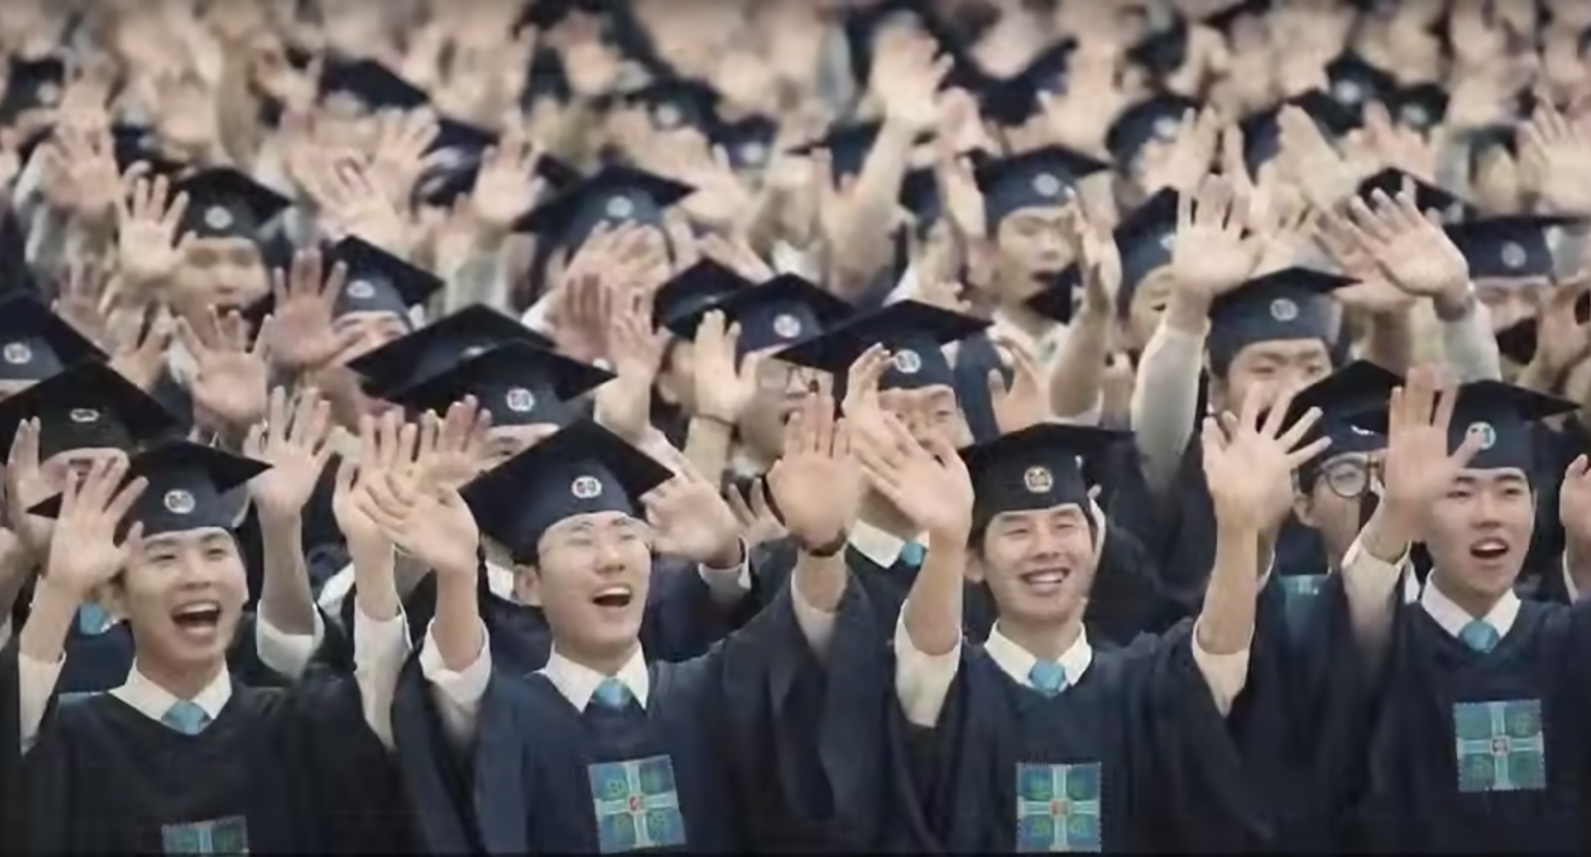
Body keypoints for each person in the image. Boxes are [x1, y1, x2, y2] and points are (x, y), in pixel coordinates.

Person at [389, 408, 888, 852]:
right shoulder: (511, 714)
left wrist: (823, 546)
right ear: (528, 584)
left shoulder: (710, 689)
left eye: (626, 535)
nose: (610, 558)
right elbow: (457, 678)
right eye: (580, 540)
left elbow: (804, 636)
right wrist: (455, 577)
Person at [876, 380, 1328, 851]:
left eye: (1065, 524)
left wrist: (1238, 528)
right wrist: (945, 542)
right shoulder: (957, 688)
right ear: (973, 561)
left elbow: (1221, 650)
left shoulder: (1144, 684)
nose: (1046, 548)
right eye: (1017, 530)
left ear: (1095, 545)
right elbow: (925, 652)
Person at [0, 440, 413, 852]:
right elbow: (15, 726)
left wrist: (373, 560)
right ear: (114, 596)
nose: (197, 575)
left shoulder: (300, 729)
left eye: (215, 551)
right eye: (164, 558)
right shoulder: (72, 745)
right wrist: (61, 583)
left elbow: (391, 715)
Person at [1334, 368, 1589, 851]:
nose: (1488, 513)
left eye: (1510, 490)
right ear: (1418, 512)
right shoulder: (1381, 647)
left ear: (1536, 506)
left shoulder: (1569, 642)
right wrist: (1392, 517)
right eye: (1459, 491)